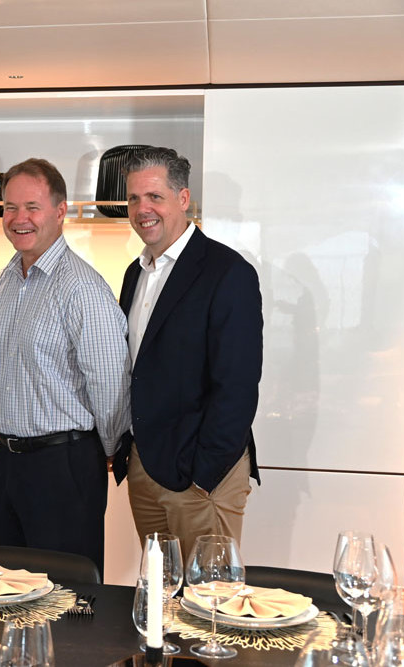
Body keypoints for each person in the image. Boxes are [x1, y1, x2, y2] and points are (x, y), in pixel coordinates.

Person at [112, 147, 263, 559]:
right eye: (134, 199)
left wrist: (205, 474)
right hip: (146, 467)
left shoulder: (228, 272)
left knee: (208, 609)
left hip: (199, 475)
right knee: (160, 598)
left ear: (183, 199)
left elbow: (237, 384)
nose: (143, 209)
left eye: (154, 197)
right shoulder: (135, 272)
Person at [0, 158, 131, 574]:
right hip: (7, 462)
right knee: (2, 591)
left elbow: (111, 386)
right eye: (9, 208)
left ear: (60, 210)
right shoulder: (5, 281)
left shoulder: (82, 288)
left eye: (32, 207)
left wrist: (98, 453)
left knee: (67, 599)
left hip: (63, 465)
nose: (19, 219)